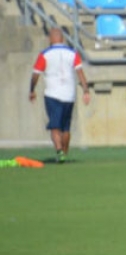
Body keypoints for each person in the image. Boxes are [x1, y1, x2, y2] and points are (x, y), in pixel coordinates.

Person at [28, 27, 90, 163]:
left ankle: (59, 151)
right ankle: (64, 154)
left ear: (50, 39)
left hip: (52, 94)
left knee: (55, 126)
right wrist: (86, 91)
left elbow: (35, 75)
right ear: (62, 39)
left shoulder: (44, 54)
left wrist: (32, 90)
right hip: (69, 95)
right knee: (66, 127)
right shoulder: (73, 53)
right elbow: (80, 73)